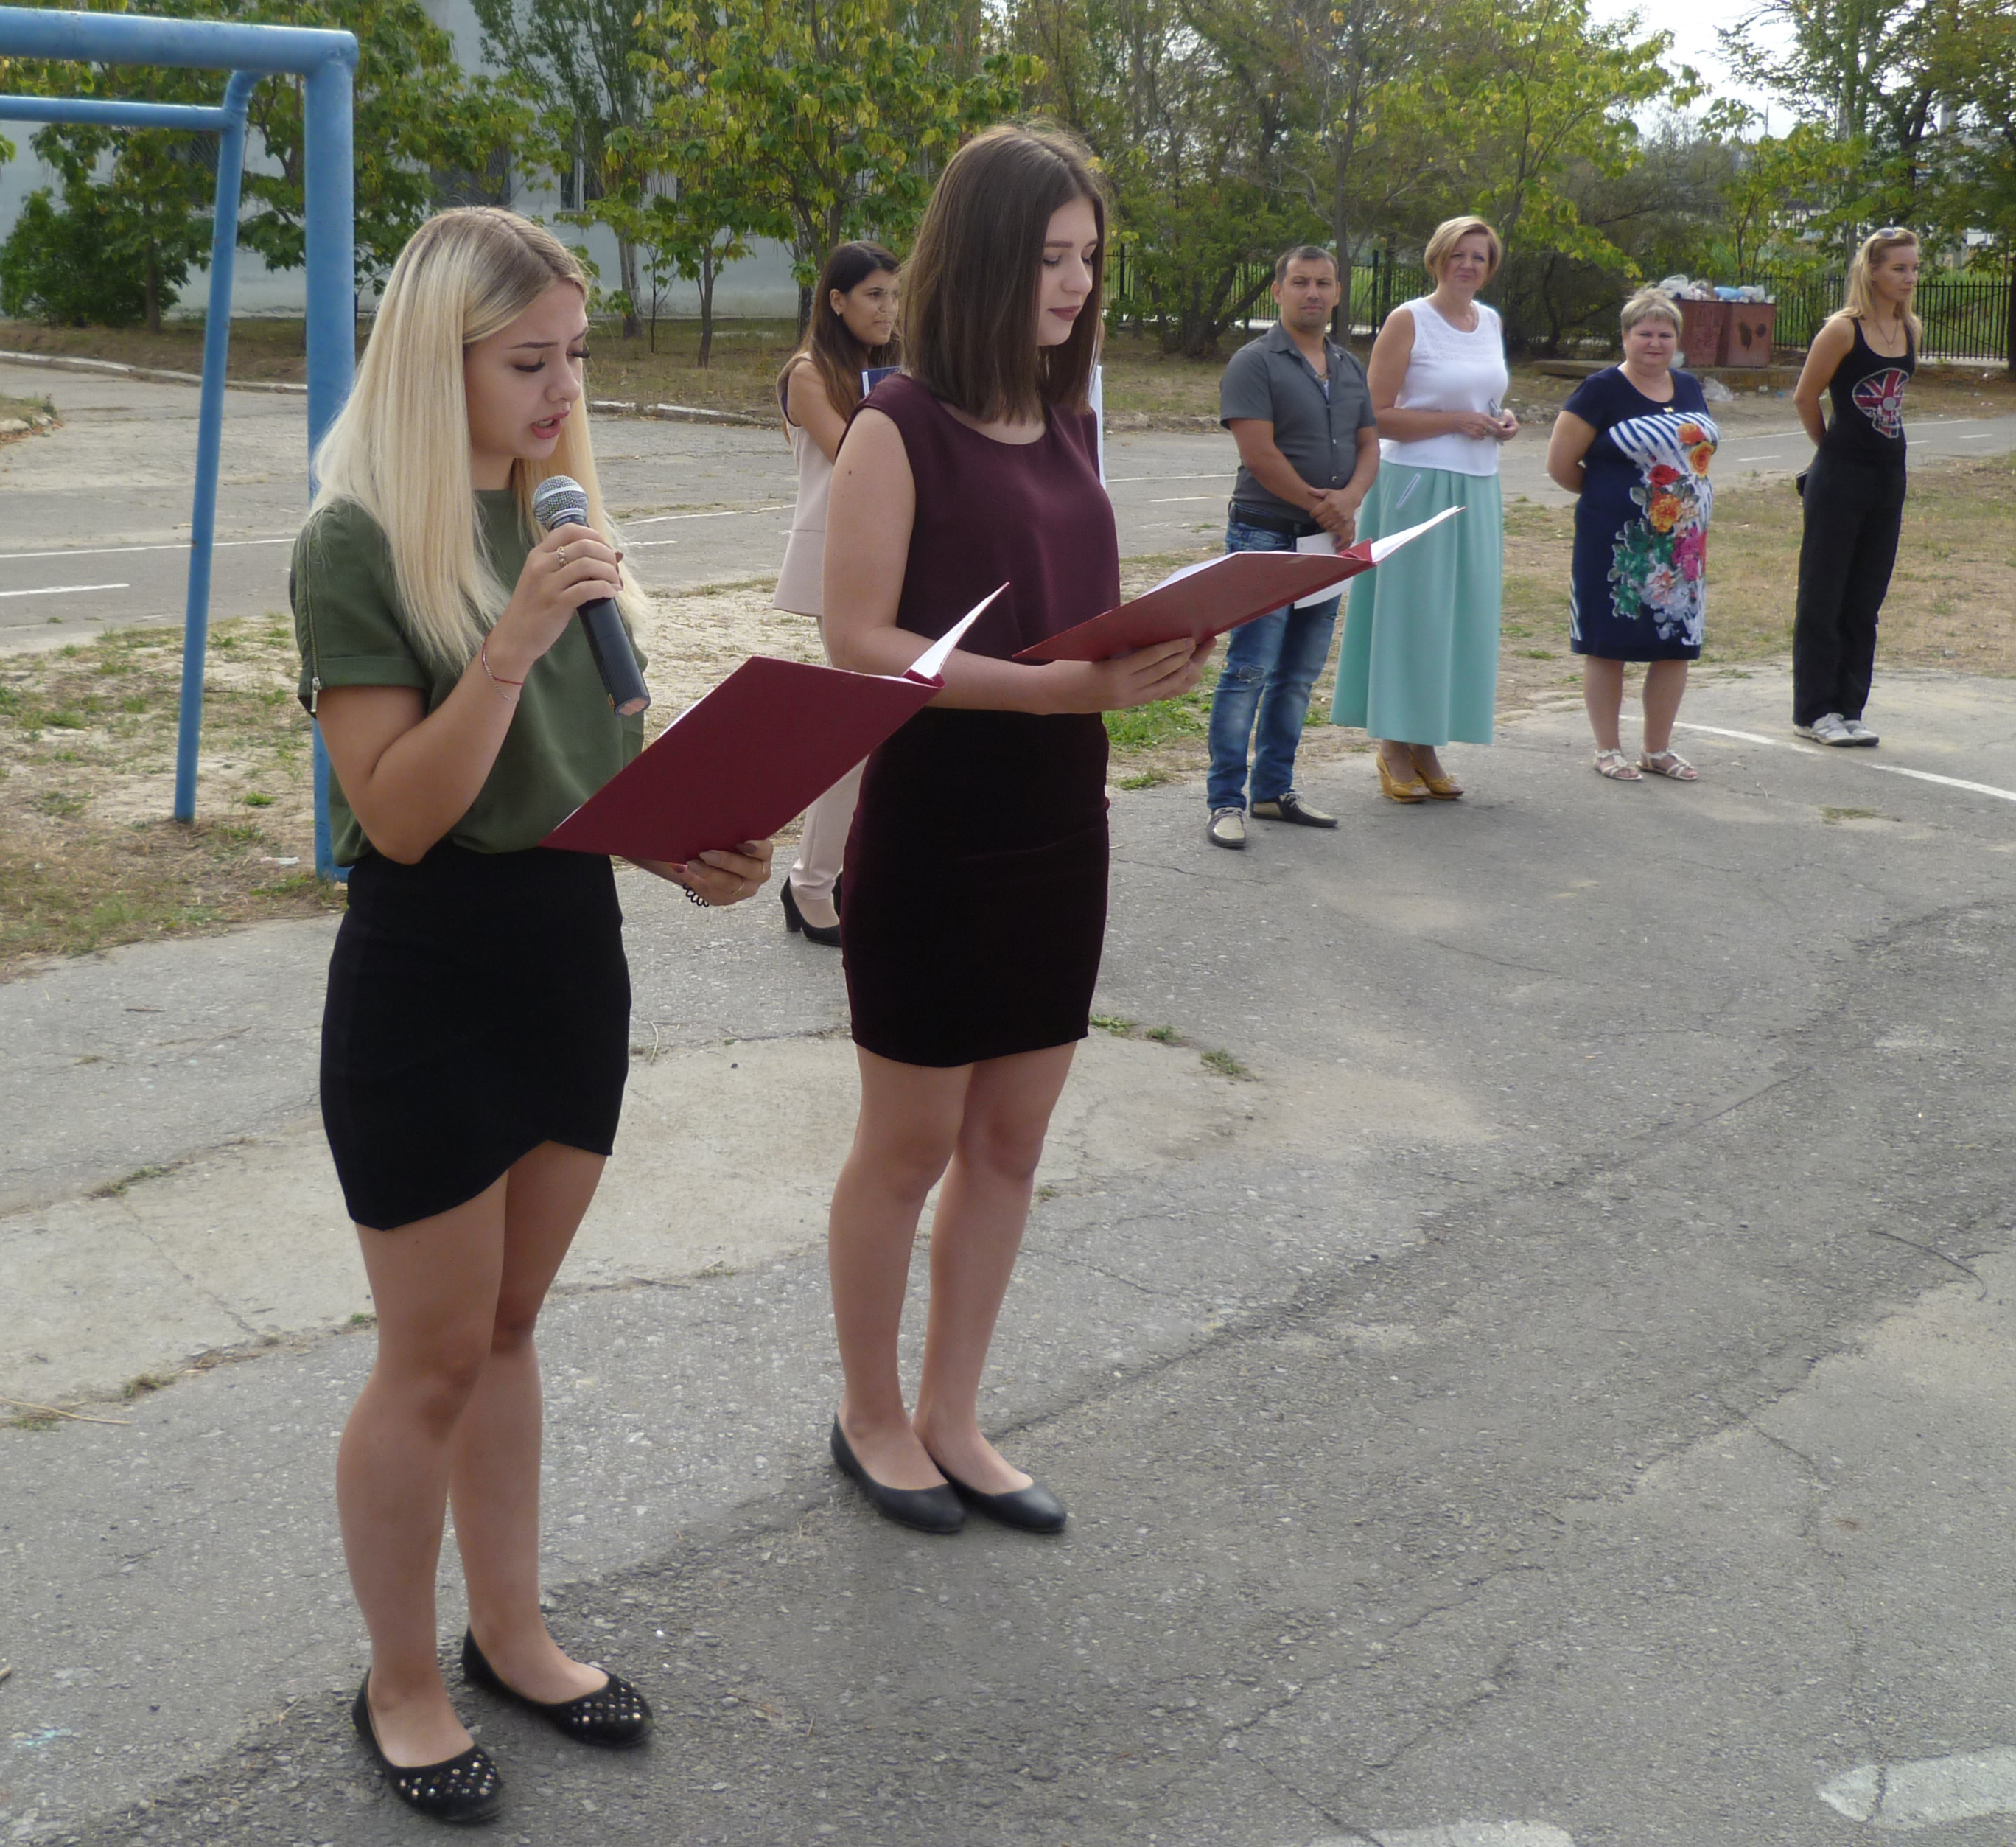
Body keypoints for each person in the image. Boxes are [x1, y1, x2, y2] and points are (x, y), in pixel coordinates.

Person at [292, 207, 772, 1824]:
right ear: (438, 367)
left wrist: (690, 842)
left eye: (575, 357)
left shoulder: (559, 516)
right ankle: (400, 1678)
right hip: (430, 969)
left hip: (570, 952)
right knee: (428, 1360)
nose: (565, 393)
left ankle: (510, 1632)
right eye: (528, 363)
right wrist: (506, 642)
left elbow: (585, 774)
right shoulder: (356, 541)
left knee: (507, 1331)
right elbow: (401, 811)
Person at [819, 125, 1210, 1537]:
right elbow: (857, 641)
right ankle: (871, 1414)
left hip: (1060, 822)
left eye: (1089, 257)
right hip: (936, 828)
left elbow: (1066, 617)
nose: (1076, 283)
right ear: (985, 257)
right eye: (1051, 257)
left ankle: (955, 1413)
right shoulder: (895, 424)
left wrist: (1158, 646)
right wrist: (1058, 691)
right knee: (909, 1143)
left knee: (1012, 1144)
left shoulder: (1069, 423)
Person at [1334, 215, 1516, 801]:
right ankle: (1393, 744)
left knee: (1459, 616)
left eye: (1480, 257)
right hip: (1416, 483)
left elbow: (1485, 397)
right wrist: (1454, 421)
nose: (1468, 265)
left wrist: (1500, 420)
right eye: (1459, 254)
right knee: (1413, 613)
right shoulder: (1409, 319)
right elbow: (1374, 413)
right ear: (1438, 258)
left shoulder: (1490, 321)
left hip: (1477, 484)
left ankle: (1426, 742)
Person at [1204, 244, 1379, 850]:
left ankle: (1273, 790)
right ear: (1278, 291)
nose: (1313, 293)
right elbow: (1259, 454)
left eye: (1323, 283)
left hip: (1326, 539)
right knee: (1249, 669)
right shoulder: (1254, 363)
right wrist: (1320, 504)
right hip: (1265, 534)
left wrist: (1349, 500)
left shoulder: (1349, 366)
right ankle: (1226, 800)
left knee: (1299, 674)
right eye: (1300, 282)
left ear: (1337, 294)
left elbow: (1369, 446)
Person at [773, 240, 901, 945]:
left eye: (894, 294)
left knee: (887, 730)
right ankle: (810, 884)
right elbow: (858, 455)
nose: (888, 308)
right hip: (839, 564)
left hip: (898, 559)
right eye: (874, 294)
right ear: (837, 300)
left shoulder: (897, 368)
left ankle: (848, 873)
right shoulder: (808, 373)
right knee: (857, 730)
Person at [1545, 289, 1718, 781]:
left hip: (1683, 547)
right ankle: (1608, 749)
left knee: (1675, 644)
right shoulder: (1600, 390)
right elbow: (1560, 464)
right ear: (1625, 337)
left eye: (1665, 334)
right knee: (1610, 642)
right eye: (1644, 333)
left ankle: (1657, 749)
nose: (1654, 343)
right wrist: (1613, 500)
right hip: (1618, 545)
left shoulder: (1688, 387)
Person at [1790, 226, 1920, 747]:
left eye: (1914, 268)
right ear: (1872, 271)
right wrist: (1831, 451)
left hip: (1888, 476)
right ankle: (1814, 711)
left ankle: (1849, 707)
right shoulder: (1842, 330)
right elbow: (1805, 397)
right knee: (1824, 594)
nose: (1909, 278)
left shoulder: (1910, 327)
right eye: (1899, 268)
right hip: (1840, 475)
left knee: (1865, 598)